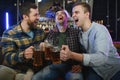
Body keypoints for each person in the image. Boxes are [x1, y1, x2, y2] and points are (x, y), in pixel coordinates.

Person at [60, 2, 120, 80]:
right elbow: (88, 54)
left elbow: (101, 58)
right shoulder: (80, 34)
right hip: (96, 70)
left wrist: (71, 55)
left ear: (87, 14)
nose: (73, 15)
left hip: (114, 70)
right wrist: (81, 65)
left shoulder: (99, 29)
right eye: (72, 13)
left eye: (76, 12)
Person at [32, 7, 85, 80]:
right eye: (57, 14)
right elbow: (46, 53)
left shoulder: (76, 32)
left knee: (77, 78)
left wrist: (80, 65)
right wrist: (42, 48)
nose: (60, 15)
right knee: (36, 78)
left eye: (62, 13)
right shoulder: (50, 34)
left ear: (67, 18)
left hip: (71, 67)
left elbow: (84, 51)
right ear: (55, 20)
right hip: (54, 67)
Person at [1, 2, 45, 80]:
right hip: (16, 69)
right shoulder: (10, 33)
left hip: (35, 70)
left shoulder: (40, 32)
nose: (38, 17)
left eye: (38, 14)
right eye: (35, 15)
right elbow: (7, 58)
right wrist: (23, 55)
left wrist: (45, 46)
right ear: (25, 17)